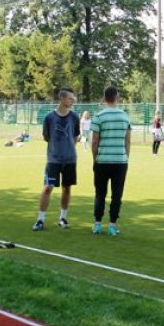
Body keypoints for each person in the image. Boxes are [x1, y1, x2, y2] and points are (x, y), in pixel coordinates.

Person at [33, 87, 81, 231]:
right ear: (62, 98)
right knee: (48, 188)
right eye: (70, 98)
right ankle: (40, 220)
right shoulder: (49, 118)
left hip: (70, 160)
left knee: (67, 189)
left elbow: (75, 136)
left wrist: (69, 148)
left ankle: (63, 218)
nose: (72, 101)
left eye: (73, 98)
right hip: (53, 160)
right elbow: (46, 137)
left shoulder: (74, 117)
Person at [91, 86, 131, 236]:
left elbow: (94, 141)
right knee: (117, 194)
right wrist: (126, 157)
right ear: (117, 97)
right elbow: (128, 141)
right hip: (120, 161)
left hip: (102, 161)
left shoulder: (99, 117)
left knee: (100, 193)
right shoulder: (125, 116)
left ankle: (97, 224)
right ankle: (113, 225)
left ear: (104, 98)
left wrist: (95, 158)